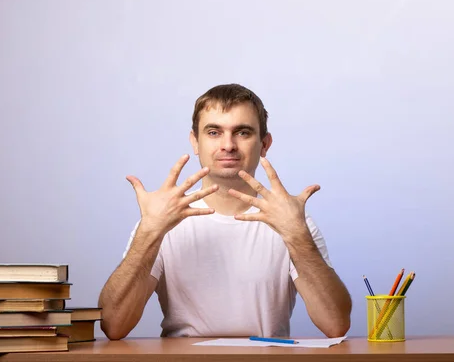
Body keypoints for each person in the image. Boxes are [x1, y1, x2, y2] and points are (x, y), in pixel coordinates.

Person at [98, 84, 352, 340]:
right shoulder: (163, 219)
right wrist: (150, 231)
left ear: (264, 144)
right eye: (213, 132)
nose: (228, 145)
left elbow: (335, 324)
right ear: (195, 142)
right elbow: (114, 325)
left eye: (242, 132)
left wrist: (297, 235)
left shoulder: (292, 222)